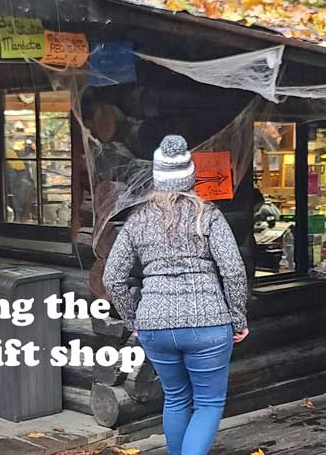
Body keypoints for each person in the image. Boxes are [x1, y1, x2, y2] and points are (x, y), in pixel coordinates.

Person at [104, 135, 249, 455]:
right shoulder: (208, 215)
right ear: (190, 176)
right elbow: (234, 270)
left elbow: (112, 278)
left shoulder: (137, 221)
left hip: (155, 326)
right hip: (208, 324)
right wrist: (237, 317)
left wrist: (135, 320)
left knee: (175, 398)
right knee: (208, 404)